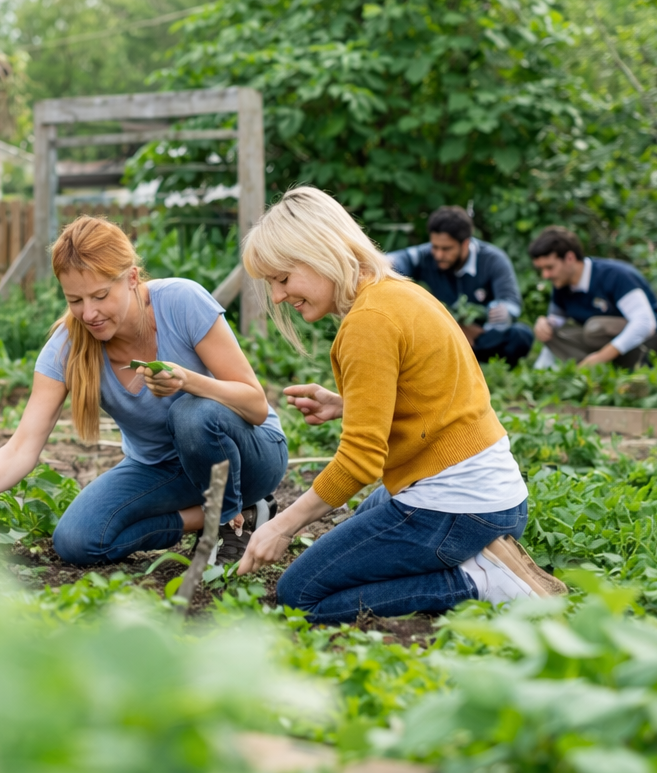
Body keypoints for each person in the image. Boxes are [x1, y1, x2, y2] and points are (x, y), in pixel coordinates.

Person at [233, 187, 566, 623]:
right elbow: (431, 397)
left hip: (459, 509)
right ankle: (479, 557)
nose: (278, 296)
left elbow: (359, 462)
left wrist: (281, 525)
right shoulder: (398, 292)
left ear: (319, 254)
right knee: (371, 513)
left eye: (282, 278)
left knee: (301, 595)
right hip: (497, 498)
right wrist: (345, 403)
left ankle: (479, 583)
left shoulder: (368, 323)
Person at [0, 215, 287, 566]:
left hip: (249, 455)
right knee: (77, 540)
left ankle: (227, 525)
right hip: (164, 470)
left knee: (192, 412)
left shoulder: (181, 302)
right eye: (75, 300)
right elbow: (23, 444)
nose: (89, 313)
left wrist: (189, 381)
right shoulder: (66, 349)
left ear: (131, 278)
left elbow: (255, 406)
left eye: (100, 295)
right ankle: (241, 513)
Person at [386, 205, 536, 366]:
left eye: (446, 249)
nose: (438, 254)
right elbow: (391, 261)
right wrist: (457, 329)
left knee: (521, 335)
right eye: (435, 247)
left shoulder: (493, 259)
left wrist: (488, 327)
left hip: (482, 337)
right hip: (444, 333)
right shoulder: (425, 255)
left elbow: (510, 305)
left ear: (465, 244)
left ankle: (482, 364)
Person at [528, 227, 657, 369]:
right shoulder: (562, 284)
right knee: (550, 333)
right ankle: (590, 368)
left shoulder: (614, 275)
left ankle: (603, 364)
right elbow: (556, 321)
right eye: (541, 269)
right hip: (607, 343)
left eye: (549, 268)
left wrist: (602, 356)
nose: (545, 276)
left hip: (653, 339)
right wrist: (544, 324)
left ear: (570, 257)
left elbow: (645, 323)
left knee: (595, 328)